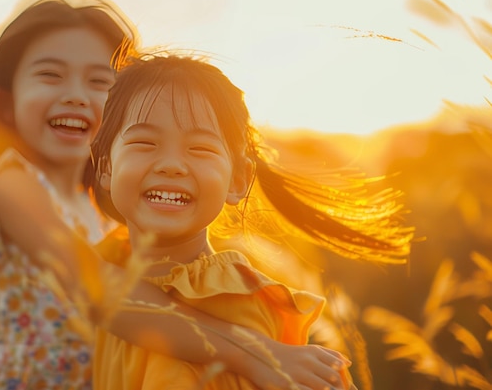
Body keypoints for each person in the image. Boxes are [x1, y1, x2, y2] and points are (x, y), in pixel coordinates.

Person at [0, 0, 362, 390]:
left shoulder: (113, 205)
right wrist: (260, 355)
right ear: (7, 94)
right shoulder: (9, 183)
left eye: (100, 80)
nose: (76, 95)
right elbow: (102, 294)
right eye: (50, 74)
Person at [90, 54, 414, 389]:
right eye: (144, 143)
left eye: (199, 149)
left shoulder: (230, 301)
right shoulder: (98, 263)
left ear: (238, 180)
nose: (171, 164)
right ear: (105, 168)